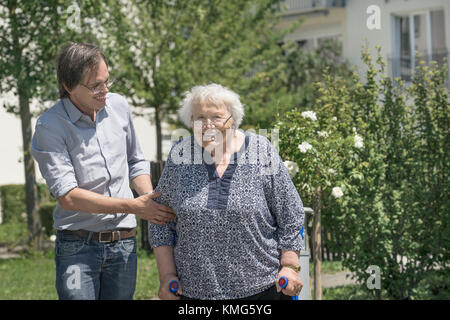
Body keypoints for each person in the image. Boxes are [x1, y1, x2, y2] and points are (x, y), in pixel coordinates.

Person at [31, 42, 176, 300]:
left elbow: (135, 162)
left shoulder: (119, 106)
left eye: (107, 81)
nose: (105, 91)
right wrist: (134, 206)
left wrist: (150, 200)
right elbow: (69, 196)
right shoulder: (50, 126)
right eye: (95, 86)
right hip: (78, 247)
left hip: (123, 244)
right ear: (68, 86)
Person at [148, 83, 305, 300]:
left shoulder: (261, 150)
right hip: (194, 293)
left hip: (262, 289)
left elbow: (291, 212)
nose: (208, 125)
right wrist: (167, 276)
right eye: (199, 118)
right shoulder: (180, 154)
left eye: (216, 117)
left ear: (233, 120)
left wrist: (289, 265)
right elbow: (159, 219)